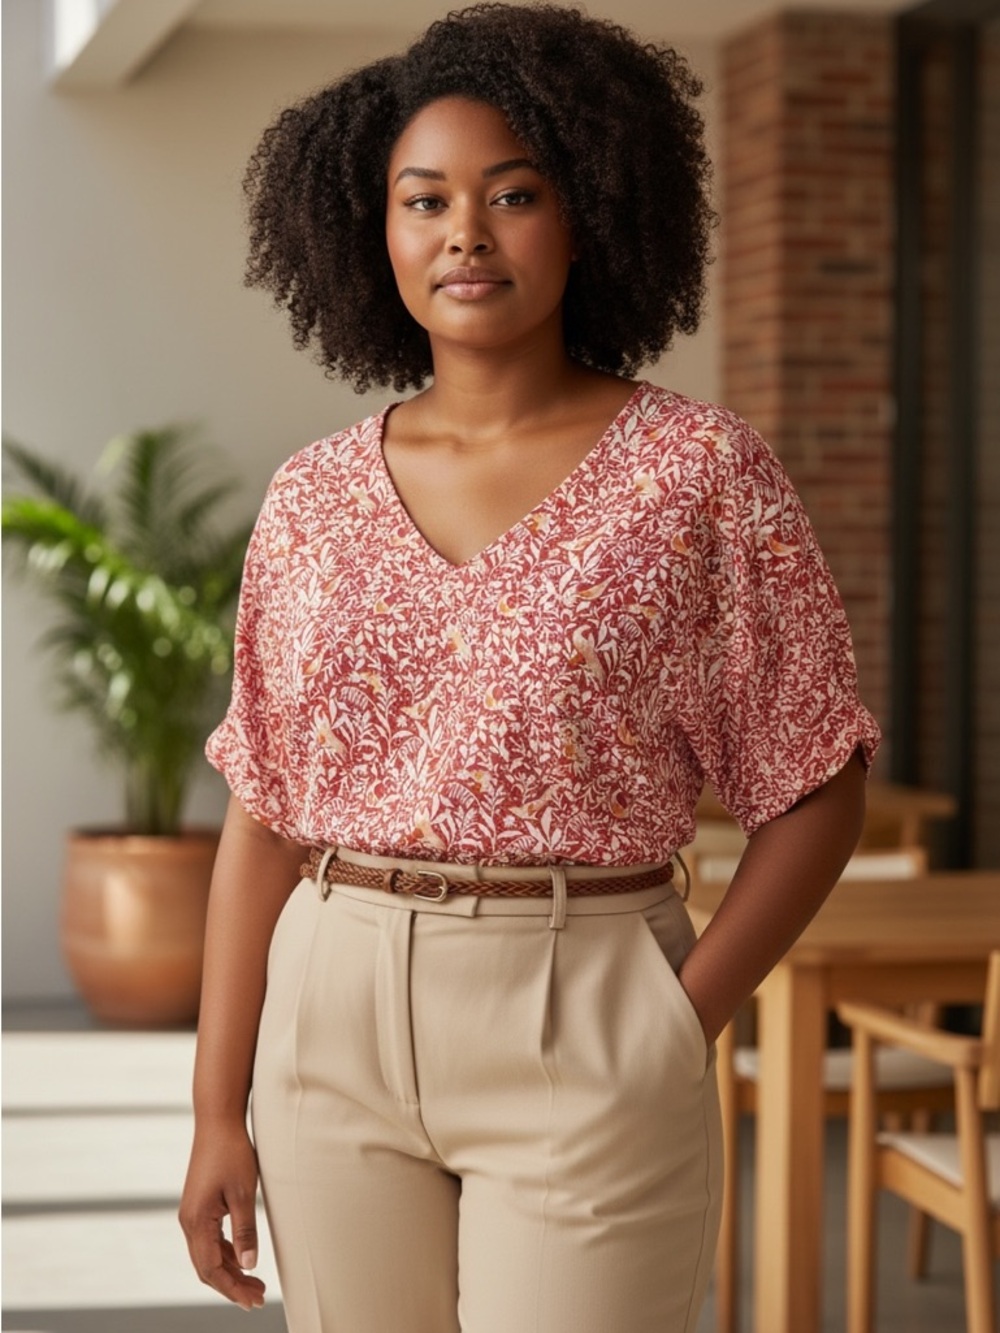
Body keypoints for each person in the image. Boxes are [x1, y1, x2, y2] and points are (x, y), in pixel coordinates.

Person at [179, 6, 880, 1331]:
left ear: (590, 213)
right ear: (373, 232)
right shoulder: (311, 498)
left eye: (513, 193)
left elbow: (816, 777)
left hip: (589, 999)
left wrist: (676, 1021)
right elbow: (263, 809)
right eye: (424, 200)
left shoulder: (700, 475)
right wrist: (218, 1107)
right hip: (331, 1008)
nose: (466, 234)